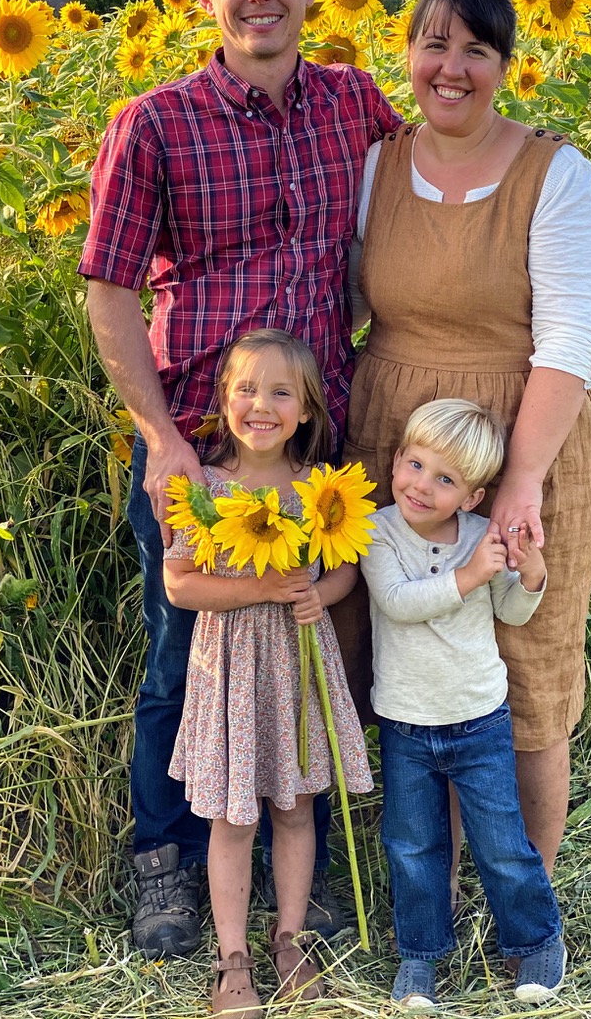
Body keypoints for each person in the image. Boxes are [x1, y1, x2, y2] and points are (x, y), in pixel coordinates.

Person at [78, 0, 401, 957]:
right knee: (187, 651)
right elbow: (111, 290)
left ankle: (293, 856)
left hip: (318, 447)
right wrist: (164, 437)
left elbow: (424, 191)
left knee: (315, 636)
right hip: (204, 449)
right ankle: (164, 857)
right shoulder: (157, 122)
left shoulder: (354, 102)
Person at [342, 0, 591, 879]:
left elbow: (576, 334)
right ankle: (433, 883)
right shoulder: (378, 163)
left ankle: (523, 893)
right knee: (412, 655)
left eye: (476, 49)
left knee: (526, 663)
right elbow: (337, 294)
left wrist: (523, 480)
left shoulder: (553, 171)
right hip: (398, 442)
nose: (450, 67)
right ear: (408, 51)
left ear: (505, 64)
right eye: (434, 43)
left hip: (523, 433)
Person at [163, 329, 372, 1019]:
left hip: (296, 671)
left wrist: (322, 594)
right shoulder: (206, 489)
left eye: (281, 392)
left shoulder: (320, 490)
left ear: (307, 410)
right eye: (246, 389)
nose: (262, 405)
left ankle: (290, 936)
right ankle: (232, 957)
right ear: (224, 401)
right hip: (230, 671)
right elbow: (181, 587)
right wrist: (263, 589)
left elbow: (342, 567)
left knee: (295, 806)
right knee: (232, 817)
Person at [362, 399, 566, 1006]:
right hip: (406, 718)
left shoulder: (482, 537)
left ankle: (536, 940)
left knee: (502, 838)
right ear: (396, 459)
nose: (422, 486)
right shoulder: (377, 531)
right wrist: (472, 575)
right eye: (415, 464)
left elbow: (511, 611)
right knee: (413, 843)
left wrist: (528, 572)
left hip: (479, 715)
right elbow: (399, 601)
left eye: (445, 479)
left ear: (472, 497)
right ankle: (421, 957)